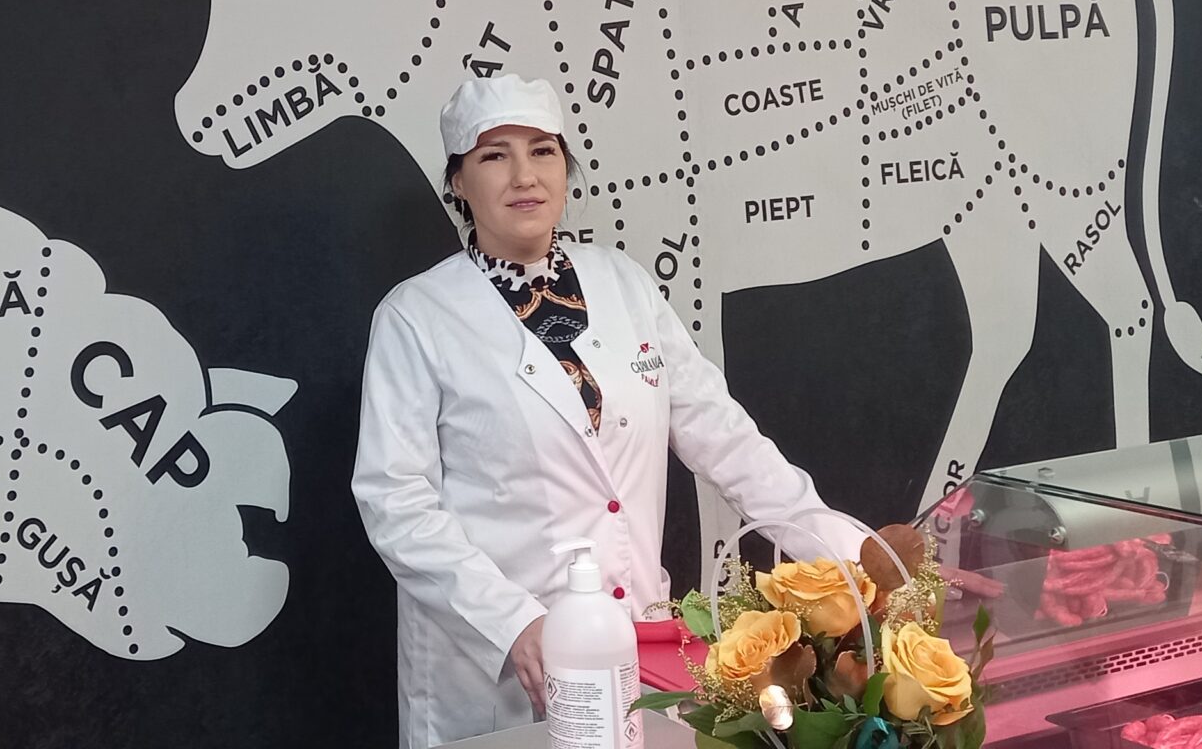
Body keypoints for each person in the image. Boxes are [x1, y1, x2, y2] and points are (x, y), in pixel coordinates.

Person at [354, 75, 876, 748]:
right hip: (495, 669)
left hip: (637, 643)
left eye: (543, 151)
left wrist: (852, 559)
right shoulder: (416, 316)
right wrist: (513, 623)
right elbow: (396, 502)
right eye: (494, 156)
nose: (524, 175)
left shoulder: (622, 283)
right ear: (458, 181)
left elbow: (725, 439)